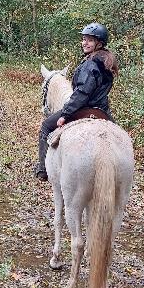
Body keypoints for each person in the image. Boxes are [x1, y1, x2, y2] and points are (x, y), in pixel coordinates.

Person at [33, 22, 119, 181]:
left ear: (99, 44)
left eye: (90, 40)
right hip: (102, 110)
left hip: (85, 108)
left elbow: (82, 93)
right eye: (84, 39)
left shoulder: (90, 64)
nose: (85, 43)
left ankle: (43, 170)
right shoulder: (107, 62)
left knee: (45, 126)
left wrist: (65, 114)